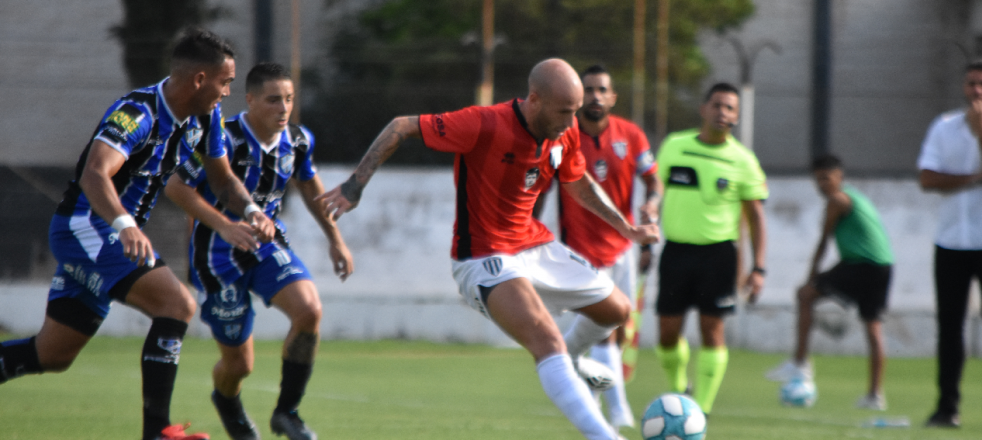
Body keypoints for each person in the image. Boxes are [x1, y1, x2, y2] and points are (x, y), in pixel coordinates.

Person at [317, 58, 659, 440]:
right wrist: (354, 185)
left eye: (575, 112)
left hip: (535, 244)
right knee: (546, 341)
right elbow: (401, 126)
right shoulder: (483, 123)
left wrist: (627, 229)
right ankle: (606, 435)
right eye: (564, 111)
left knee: (617, 309)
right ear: (534, 100)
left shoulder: (566, 130)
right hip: (483, 256)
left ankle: (571, 362)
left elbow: (577, 184)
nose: (571, 121)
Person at [0, 28, 275, 440]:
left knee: (52, 354)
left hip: (107, 235)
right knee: (177, 304)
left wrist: (251, 210)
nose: (228, 91)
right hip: (85, 227)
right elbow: (96, 173)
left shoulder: (206, 117)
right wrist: (125, 224)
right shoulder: (138, 112)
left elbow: (223, 181)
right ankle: (157, 432)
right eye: (226, 81)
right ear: (200, 79)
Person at [166, 62, 352, 440]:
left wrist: (336, 239)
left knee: (310, 310)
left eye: (289, 99)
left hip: (267, 248)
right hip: (217, 257)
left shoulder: (298, 141)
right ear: (249, 100)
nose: (283, 108)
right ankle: (227, 403)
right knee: (239, 364)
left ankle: (288, 413)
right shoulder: (222, 139)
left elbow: (310, 187)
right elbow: (175, 188)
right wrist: (224, 225)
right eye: (273, 100)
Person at [534, 64, 663, 429]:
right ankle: (618, 412)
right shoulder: (563, 136)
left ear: (613, 97)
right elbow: (543, 186)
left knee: (616, 329)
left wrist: (651, 206)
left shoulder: (632, 136)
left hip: (622, 250)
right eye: (588, 90)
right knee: (600, 329)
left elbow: (653, 181)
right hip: (579, 254)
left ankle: (594, 401)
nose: (594, 96)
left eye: (601, 90)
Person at [917, 60, 982, 431]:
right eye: (971, 84)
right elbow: (927, 178)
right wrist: (976, 177)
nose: (976, 90)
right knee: (949, 325)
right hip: (951, 239)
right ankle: (947, 407)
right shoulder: (943, 127)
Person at [653, 82, 768, 415]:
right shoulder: (675, 146)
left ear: (736, 116)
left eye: (730, 108)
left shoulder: (743, 160)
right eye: (717, 105)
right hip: (675, 251)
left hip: (718, 256)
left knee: (711, 329)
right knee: (667, 332)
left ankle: (699, 411)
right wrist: (647, 225)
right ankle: (678, 390)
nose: (723, 113)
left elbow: (757, 218)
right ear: (703, 109)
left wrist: (758, 268)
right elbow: (655, 191)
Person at [764, 154, 893, 411]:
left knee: (805, 295)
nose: (821, 184)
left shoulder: (837, 200)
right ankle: (875, 396)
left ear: (839, 177)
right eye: (817, 180)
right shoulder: (855, 197)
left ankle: (800, 363)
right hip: (882, 265)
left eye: (826, 178)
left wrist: (810, 278)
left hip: (861, 265)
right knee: (874, 329)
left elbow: (823, 243)